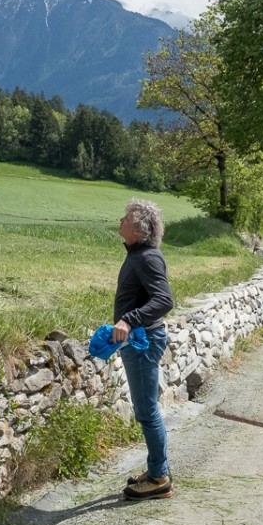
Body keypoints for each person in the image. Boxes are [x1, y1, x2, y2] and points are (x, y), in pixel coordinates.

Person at [114, 198, 175, 500]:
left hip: (143, 341)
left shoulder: (147, 258)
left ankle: (159, 478)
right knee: (146, 409)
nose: (120, 221)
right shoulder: (139, 255)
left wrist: (129, 319)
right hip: (138, 340)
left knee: (147, 411)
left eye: (125, 218)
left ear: (138, 228)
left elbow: (164, 300)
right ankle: (155, 470)